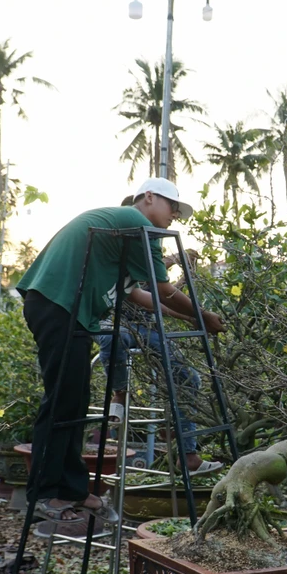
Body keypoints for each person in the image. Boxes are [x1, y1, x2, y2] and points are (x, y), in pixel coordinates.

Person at [16, 178, 226, 524]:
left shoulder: (122, 240)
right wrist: (203, 315)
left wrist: (185, 319)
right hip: (58, 305)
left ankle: (72, 489)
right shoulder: (139, 224)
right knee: (62, 403)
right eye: (172, 206)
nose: (175, 214)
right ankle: (50, 492)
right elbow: (162, 288)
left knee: (73, 401)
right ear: (147, 198)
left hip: (62, 309)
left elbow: (136, 295)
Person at [96, 196, 221, 476]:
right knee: (110, 337)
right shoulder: (123, 241)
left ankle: (188, 451)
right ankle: (119, 394)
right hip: (119, 323)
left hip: (148, 326)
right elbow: (156, 288)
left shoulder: (150, 246)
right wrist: (177, 260)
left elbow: (160, 294)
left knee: (189, 378)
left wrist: (188, 307)